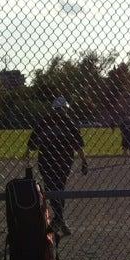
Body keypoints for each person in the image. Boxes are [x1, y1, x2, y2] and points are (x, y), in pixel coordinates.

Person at [24, 96, 88, 236]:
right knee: (60, 188)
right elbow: (78, 146)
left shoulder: (44, 122)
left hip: (46, 160)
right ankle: (59, 219)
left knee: (51, 188)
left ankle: (59, 220)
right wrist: (84, 162)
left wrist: (27, 160)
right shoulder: (69, 122)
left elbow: (31, 145)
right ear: (65, 109)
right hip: (64, 161)